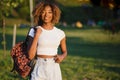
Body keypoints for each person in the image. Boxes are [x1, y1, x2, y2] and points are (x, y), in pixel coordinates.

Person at [28, 1, 67, 80]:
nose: (46, 15)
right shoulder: (34, 31)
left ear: (54, 14)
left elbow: (65, 51)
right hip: (38, 66)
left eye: (50, 12)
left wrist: (62, 57)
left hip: (54, 67)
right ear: (39, 14)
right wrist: (37, 35)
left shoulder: (60, 33)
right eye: (43, 12)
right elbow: (30, 56)